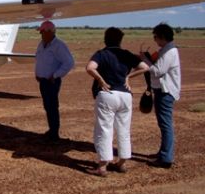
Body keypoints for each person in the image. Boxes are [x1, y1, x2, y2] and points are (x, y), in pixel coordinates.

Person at [86, 27, 148, 176]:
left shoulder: (102, 54)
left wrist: (100, 80)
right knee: (124, 130)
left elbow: (90, 68)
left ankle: (102, 166)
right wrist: (128, 77)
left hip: (108, 94)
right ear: (120, 40)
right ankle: (122, 163)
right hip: (125, 95)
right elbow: (145, 67)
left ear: (105, 39)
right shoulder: (126, 54)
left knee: (104, 129)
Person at [140, 23, 181, 169]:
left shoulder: (169, 51)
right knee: (164, 124)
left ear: (162, 37)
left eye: (156, 36)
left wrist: (144, 60)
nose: (155, 39)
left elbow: (157, 71)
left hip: (165, 91)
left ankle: (166, 157)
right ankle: (164, 153)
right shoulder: (167, 50)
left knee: (165, 124)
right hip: (163, 90)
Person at [34, 20, 75, 142]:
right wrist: (37, 73)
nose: (41, 34)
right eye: (40, 32)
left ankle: (54, 133)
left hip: (52, 82)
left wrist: (55, 75)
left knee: (52, 106)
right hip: (43, 81)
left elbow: (69, 62)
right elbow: (39, 59)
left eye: (42, 32)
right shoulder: (41, 44)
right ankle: (52, 130)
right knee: (47, 106)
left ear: (50, 32)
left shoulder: (59, 45)